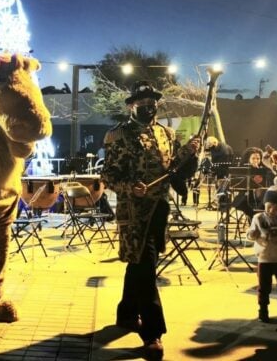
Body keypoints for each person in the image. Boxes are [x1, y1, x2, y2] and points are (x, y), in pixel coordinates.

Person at [101, 81, 199, 361]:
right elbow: (108, 175)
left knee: (143, 263)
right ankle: (152, 333)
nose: (149, 105)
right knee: (145, 267)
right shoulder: (119, 135)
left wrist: (190, 151)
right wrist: (131, 186)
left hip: (159, 208)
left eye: (152, 101)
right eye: (142, 101)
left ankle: (127, 314)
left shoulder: (166, 133)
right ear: (131, 105)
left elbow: (173, 171)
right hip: (134, 212)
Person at [246, 184, 277, 323]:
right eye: (269, 206)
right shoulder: (258, 218)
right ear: (265, 203)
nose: (272, 210)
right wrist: (252, 234)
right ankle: (263, 310)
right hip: (264, 259)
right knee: (264, 288)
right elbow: (250, 234)